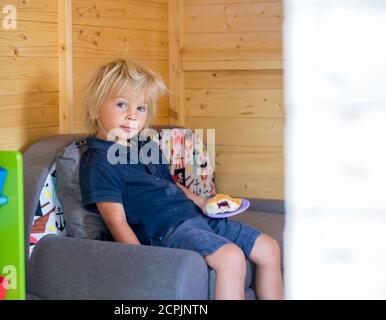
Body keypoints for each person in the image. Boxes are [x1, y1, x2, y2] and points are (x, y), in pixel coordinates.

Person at [79, 59, 284, 300]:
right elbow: (116, 222)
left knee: (269, 248)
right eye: (122, 104)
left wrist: (203, 202)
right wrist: (140, 262)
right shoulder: (99, 162)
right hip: (167, 229)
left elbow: (169, 184)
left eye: (141, 108)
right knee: (231, 258)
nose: (132, 116)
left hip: (194, 216)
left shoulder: (146, 146)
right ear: (95, 109)